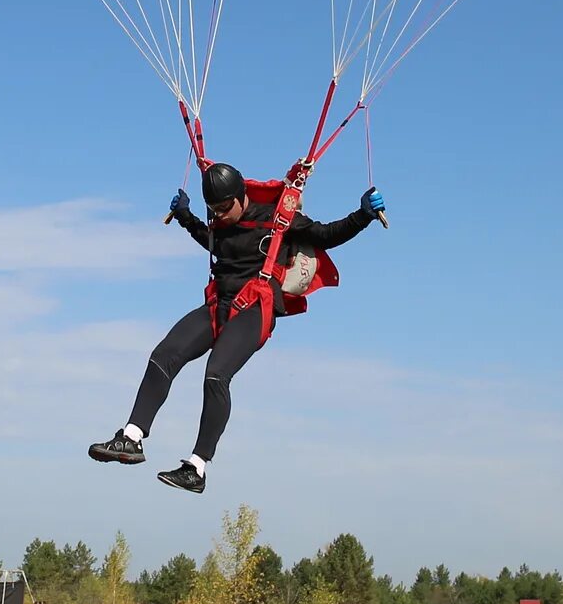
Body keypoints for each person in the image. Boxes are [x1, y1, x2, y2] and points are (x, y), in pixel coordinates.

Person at [88, 159, 385, 492]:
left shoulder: (278, 220)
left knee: (216, 373)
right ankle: (131, 437)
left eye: (224, 208)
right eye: (212, 210)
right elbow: (211, 239)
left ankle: (197, 468)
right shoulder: (219, 222)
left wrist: (363, 216)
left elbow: (326, 235)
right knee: (164, 354)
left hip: (256, 308)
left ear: (242, 196)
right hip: (219, 305)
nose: (218, 216)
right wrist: (186, 217)